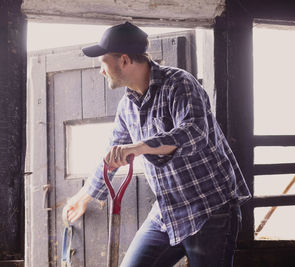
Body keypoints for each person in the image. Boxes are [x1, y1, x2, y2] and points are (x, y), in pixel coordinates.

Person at [63, 21, 251, 267]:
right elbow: (111, 157)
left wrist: (139, 146)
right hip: (168, 210)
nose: (101, 70)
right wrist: (84, 196)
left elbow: (194, 133)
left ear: (125, 61)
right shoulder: (126, 107)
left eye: (103, 61)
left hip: (209, 208)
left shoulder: (179, 83)